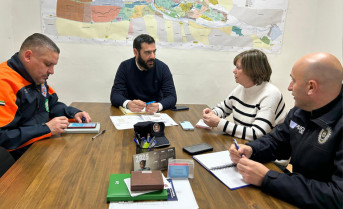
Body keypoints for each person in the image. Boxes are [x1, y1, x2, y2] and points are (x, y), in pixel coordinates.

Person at [229, 52, 343, 208]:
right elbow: (278, 140)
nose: (289, 87)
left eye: (293, 81)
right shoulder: (301, 110)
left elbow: (338, 197)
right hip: (296, 193)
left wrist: (267, 178)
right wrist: (251, 149)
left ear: (311, 87)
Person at [0, 33, 91, 160]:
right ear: (28, 56)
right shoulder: (4, 82)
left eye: (53, 65)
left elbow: (51, 104)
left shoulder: (35, 78)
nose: (52, 71)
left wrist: (73, 113)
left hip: (42, 147)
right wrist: (46, 129)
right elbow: (3, 137)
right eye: (48, 64)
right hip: (18, 160)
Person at [202, 49, 287, 141]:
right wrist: (212, 113)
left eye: (238, 68)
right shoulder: (241, 88)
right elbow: (224, 108)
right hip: (243, 143)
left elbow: (257, 134)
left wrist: (219, 123)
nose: (234, 71)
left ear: (253, 71)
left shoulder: (271, 94)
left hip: (266, 150)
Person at [110, 34, 177, 114]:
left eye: (154, 52)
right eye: (147, 52)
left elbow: (172, 97)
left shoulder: (162, 68)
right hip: (132, 114)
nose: (152, 56)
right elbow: (115, 95)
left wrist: (159, 106)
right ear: (135, 52)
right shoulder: (125, 67)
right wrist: (128, 104)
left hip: (155, 115)